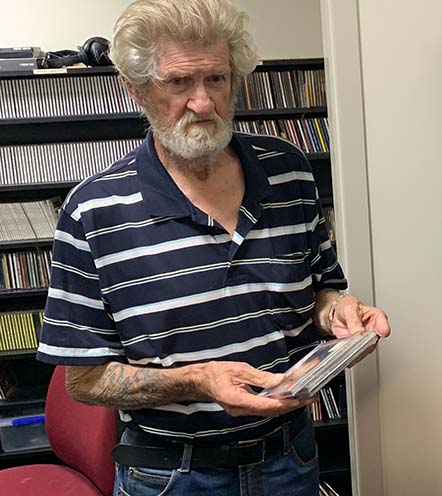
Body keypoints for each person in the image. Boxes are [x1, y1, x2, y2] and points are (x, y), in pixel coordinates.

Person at [35, 0, 390, 494]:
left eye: (216, 80)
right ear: (136, 89)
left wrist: (339, 314)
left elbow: (320, 292)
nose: (202, 103)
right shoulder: (93, 211)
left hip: (289, 459)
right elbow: (84, 381)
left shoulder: (288, 172)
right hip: (171, 475)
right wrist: (198, 380)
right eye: (179, 82)